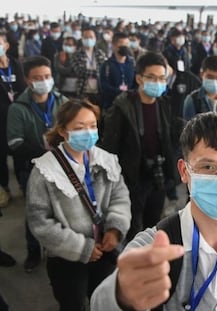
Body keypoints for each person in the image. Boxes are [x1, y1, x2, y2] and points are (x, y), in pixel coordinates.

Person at [91, 112, 217, 311]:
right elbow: (100, 304)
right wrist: (121, 295)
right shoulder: (151, 248)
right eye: (207, 166)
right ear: (184, 171)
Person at [26, 99, 131, 311]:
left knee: (103, 299)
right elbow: (39, 221)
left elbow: (120, 195)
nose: (89, 132)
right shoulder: (45, 170)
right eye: (80, 128)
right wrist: (81, 248)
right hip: (67, 257)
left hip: (104, 250)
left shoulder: (106, 160)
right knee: (72, 303)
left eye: (93, 126)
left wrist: (114, 228)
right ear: (64, 131)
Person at [100, 52, 176, 242]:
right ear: (139, 78)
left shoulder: (165, 105)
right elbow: (110, 146)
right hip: (131, 178)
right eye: (151, 77)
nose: (157, 82)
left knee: (154, 225)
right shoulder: (122, 107)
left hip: (157, 177)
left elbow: (170, 140)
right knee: (132, 226)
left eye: (162, 78)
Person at [7, 55, 68, 272]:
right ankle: (33, 251)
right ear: (27, 80)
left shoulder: (63, 103)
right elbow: (15, 143)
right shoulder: (18, 109)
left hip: (63, 168)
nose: (44, 81)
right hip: (32, 169)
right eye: (38, 77)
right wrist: (45, 153)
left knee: (63, 209)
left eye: (47, 76)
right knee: (34, 211)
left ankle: (61, 248)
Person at [0, 32, 26, 207]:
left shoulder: (16, 64)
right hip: (0, 118)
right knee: (1, 155)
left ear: (6, 45)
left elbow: (22, 87)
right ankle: (4, 189)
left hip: (16, 116)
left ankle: (24, 185)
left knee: (19, 152)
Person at [99, 32, 135, 111]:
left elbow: (136, 83)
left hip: (129, 105)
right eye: (122, 44)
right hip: (111, 105)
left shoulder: (132, 64)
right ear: (114, 45)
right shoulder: (106, 65)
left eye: (127, 44)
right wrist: (120, 92)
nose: (125, 47)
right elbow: (104, 86)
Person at [70, 27, 106, 105]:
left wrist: (92, 72)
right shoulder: (76, 55)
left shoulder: (100, 54)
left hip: (98, 90)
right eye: (86, 37)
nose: (88, 39)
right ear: (82, 38)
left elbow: (105, 71)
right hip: (83, 90)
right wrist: (97, 73)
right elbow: (80, 72)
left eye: (91, 37)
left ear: (95, 38)